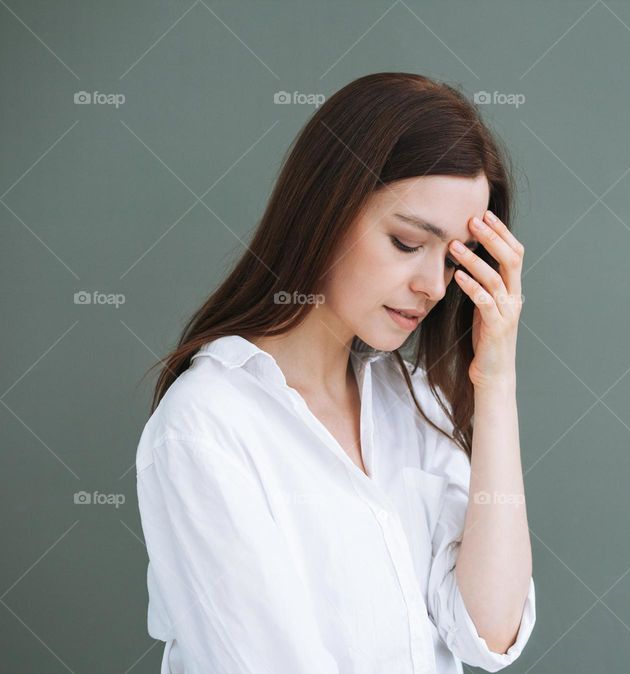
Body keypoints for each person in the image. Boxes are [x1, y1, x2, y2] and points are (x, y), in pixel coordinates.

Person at [134, 72, 535, 673]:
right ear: (327, 210)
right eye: (406, 242)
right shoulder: (207, 425)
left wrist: (496, 383)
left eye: (453, 259)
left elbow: (489, 632)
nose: (432, 286)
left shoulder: (413, 401)